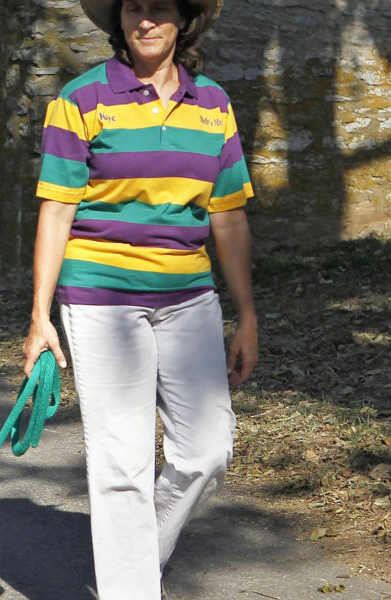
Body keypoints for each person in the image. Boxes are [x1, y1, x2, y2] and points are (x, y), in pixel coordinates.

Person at [21, 0, 259, 597]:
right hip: (100, 297)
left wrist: (248, 314)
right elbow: (57, 210)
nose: (145, 20)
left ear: (185, 20)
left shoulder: (215, 105)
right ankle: (129, 589)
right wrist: (38, 316)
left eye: (159, 8)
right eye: (133, 8)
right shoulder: (80, 100)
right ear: (119, 21)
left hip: (188, 296)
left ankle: (131, 564)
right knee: (121, 462)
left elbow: (228, 219)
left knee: (207, 450)